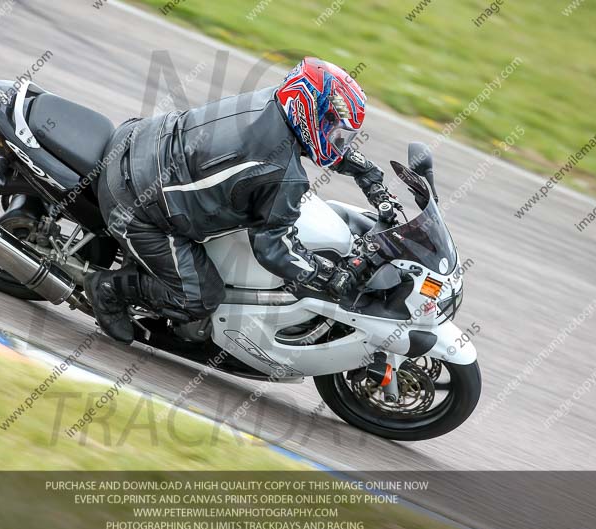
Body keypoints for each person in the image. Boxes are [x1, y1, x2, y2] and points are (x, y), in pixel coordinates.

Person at [84, 57, 393, 344]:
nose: (338, 140)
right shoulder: (283, 175)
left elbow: (316, 143)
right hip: (135, 205)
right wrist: (327, 275)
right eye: (335, 129)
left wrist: (367, 173)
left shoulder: (272, 100)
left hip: (139, 138)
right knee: (201, 296)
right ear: (308, 110)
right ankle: (108, 290)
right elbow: (274, 250)